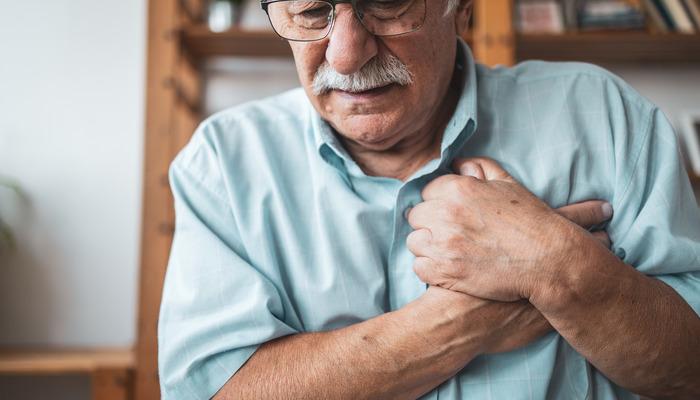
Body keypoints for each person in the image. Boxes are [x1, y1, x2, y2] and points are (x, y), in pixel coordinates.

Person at [158, 0, 700, 398]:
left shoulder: (603, 115)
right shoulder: (224, 161)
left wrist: (557, 264)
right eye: (312, 11)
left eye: (388, 4)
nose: (346, 55)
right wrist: (467, 317)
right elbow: (209, 391)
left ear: (462, 9)